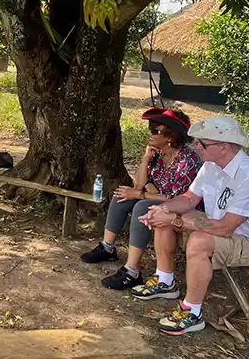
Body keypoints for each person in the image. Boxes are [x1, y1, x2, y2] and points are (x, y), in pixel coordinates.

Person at [133, 116, 249, 336]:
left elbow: (225, 228)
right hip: (226, 229)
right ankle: (165, 281)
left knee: (198, 241)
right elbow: (189, 199)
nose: (196, 147)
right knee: (165, 212)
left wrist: (175, 220)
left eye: (202, 143)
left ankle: (192, 312)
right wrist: (165, 210)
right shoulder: (210, 166)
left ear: (223, 147)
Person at [80, 108, 203, 290]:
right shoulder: (158, 154)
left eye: (156, 131)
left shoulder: (187, 159)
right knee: (122, 196)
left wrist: (141, 194)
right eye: (150, 129)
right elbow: (139, 185)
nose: (150, 134)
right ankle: (107, 247)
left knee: (143, 206)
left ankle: (132, 271)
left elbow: (179, 197)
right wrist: (146, 158)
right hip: (161, 197)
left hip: (185, 205)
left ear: (171, 137)